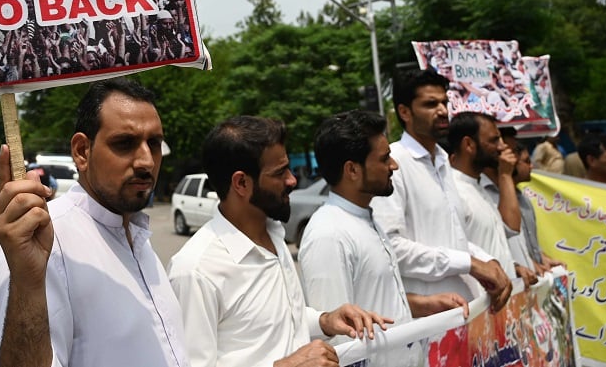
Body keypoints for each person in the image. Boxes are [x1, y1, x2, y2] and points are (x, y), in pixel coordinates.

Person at [0, 78, 189, 367]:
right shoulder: (43, 244)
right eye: (125, 143)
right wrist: (28, 282)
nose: (146, 161)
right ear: (82, 151)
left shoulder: (138, 237)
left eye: (154, 143)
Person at [168, 116, 388, 367]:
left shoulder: (273, 234)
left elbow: (277, 322)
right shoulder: (195, 271)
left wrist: (325, 321)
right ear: (241, 183)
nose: (293, 180)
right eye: (279, 172)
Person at [299, 109, 468, 367]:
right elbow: (340, 342)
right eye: (384, 158)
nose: (394, 165)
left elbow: (373, 304)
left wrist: (425, 304)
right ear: (352, 170)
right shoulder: (329, 234)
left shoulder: (367, 219)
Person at [370, 68, 512, 309]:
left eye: (445, 102)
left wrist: (488, 261)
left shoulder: (443, 161)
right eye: (430, 104)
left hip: (464, 310)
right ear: (404, 112)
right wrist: (468, 263)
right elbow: (390, 247)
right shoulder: (395, 162)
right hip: (427, 317)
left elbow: (453, 239)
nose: (443, 111)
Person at [447, 113, 536, 287]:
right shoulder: (453, 191)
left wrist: (512, 267)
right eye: (494, 140)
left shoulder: (478, 188)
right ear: (469, 145)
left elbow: (511, 227)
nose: (502, 147)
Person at [500, 128, 565, 275]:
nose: (532, 167)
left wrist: (541, 259)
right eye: (526, 162)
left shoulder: (523, 199)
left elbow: (529, 244)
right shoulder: (494, 197)